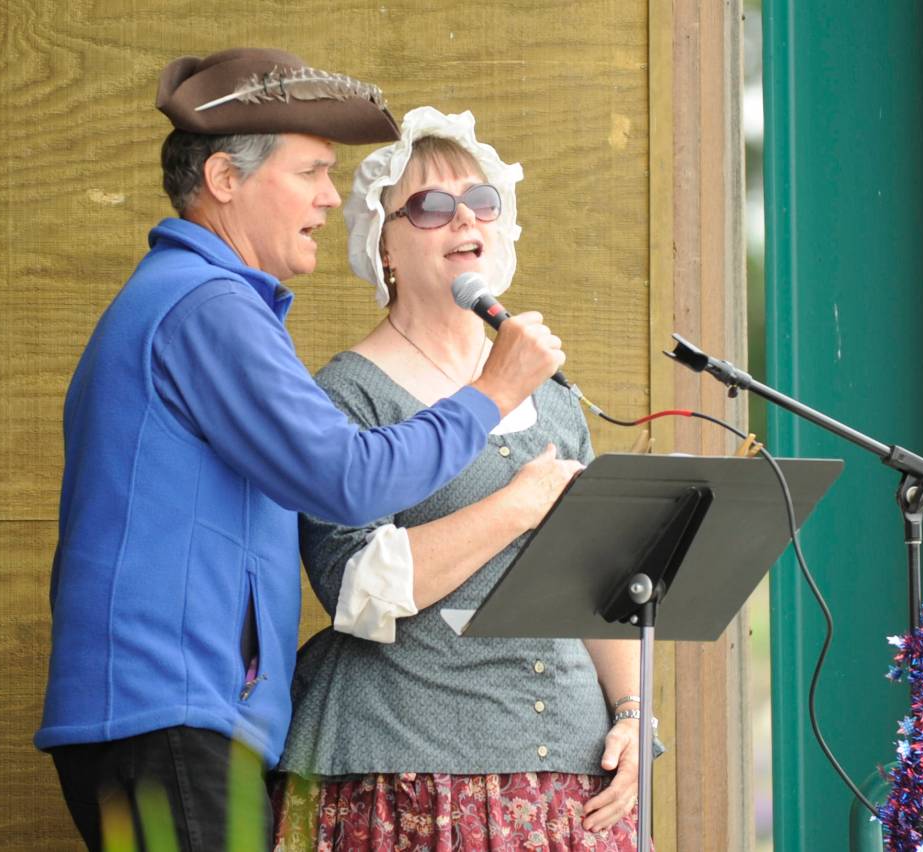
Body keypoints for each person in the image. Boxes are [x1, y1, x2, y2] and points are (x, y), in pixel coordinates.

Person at [34, 51, 567, 852]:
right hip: (171, 713)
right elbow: (348, 479)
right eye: (312, 171)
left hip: (176, 714)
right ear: (224, 178)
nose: (329, 196)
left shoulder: (199, 299)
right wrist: (491, 393)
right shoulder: (208, 306)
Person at [275, 107, 661, 851]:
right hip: (413, 777)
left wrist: (633, 711)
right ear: (382, 243)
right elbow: (355, 591)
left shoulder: (552, 396)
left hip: (574, 788)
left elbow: (605, 585)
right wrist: (516, 506)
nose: (465, 220)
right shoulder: (349, 394)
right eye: (430, 206)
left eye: (482, 202)